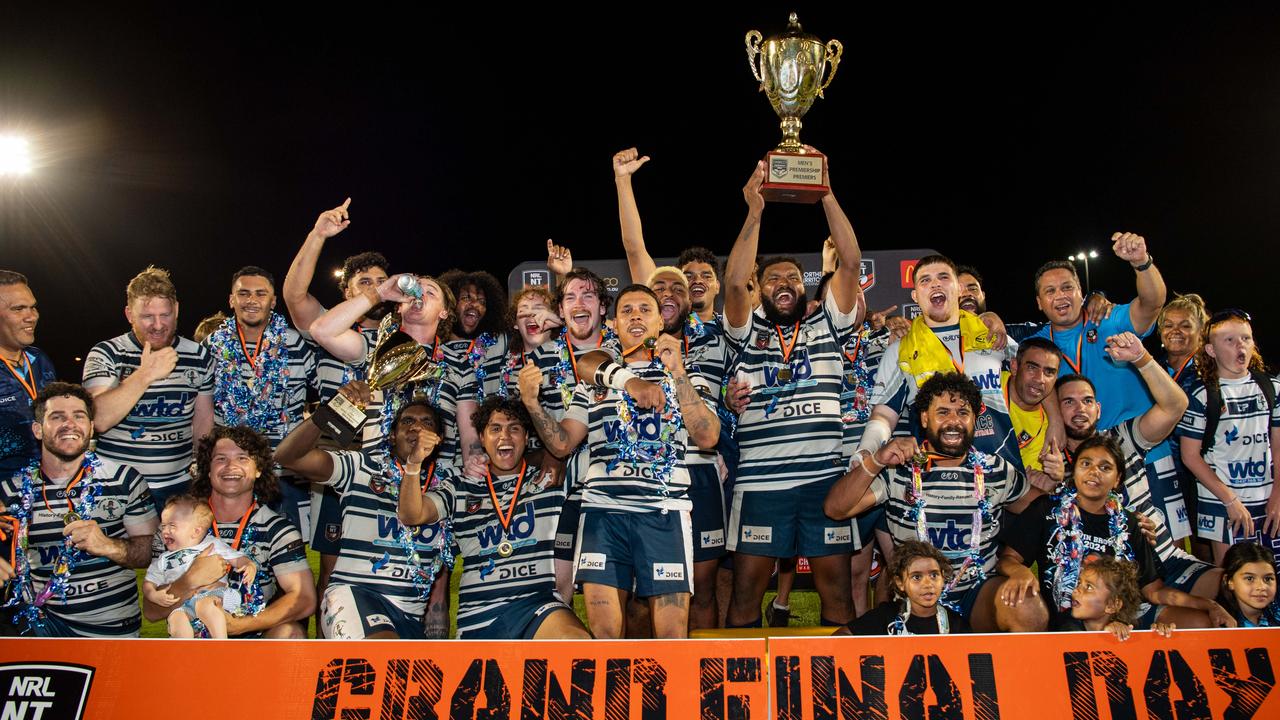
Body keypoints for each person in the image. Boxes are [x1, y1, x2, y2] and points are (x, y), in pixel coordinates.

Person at [520, 284, 721, 638]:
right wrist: (533, 405)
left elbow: (707, 437)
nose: (637, 316)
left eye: (646, 309)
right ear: (613, 324)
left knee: (672, 637)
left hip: (664, 514)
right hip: (602, 514)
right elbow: (563, 443)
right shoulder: (597, 380)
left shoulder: (688, 376)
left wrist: (677, 372)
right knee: (605, 636)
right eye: (627, 310)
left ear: (661, 323)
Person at [720, 151, 864, 630]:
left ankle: (838, 692)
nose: (783, 283)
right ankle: (741, 699)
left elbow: (850, 261)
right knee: (745, 597)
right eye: (772, 278)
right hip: (762, 486)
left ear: (803, 287)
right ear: (761, 287)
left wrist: (826, 194)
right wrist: (755, 211)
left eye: (791, 277)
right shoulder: (745, 329)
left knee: (837, 595)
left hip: (825, 482)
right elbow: (733, 281)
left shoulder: (828, 322)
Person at [826, 373, 1053, 632]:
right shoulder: (900, 468)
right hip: (913, 593)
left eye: (963, 413)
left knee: (1027, 607)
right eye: (943, 412)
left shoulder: (995, 470)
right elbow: (835, 509)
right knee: (847, 638)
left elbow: (1046, 510)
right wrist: (876, 460)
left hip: (976, 594)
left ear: (975, 420)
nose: (954, 422)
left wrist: (1014, 562)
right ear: (925, 418)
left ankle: (1011, 672)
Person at [281, 199, 392, 625]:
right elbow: (294, 295)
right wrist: (318, 235)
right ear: (348, 291)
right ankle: (328, 655)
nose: (375, 288)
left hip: (385, 461)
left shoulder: (403, 332)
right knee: (332, 566)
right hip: (337, 456)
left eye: (382, 281)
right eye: (365, 282)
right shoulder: (329, 323)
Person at [399, 397, 589, 639]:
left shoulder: (548, 477)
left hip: (536, 607)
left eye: (515, 428)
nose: (505, 437)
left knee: (574, 642)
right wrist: (414, 463)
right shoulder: (460, 486)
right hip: (478, 616)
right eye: (495, 428)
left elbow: (601, 450)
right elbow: (411, 514)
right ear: (481, 437)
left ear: (527, 437)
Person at [998, 435, 1229, 630]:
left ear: (1118, 479)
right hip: (1072, 616)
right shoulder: (1046, 510)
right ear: (1074, 472)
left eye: (1105, 467)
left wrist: (1208, 605)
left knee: (1200, 622)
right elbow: (1008, 559)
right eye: (1085, 464)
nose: (1094, 472)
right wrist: (1019, 572)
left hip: (1124, 618)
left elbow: (1154, 591)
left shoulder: (1128, 523)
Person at [276, 387, 455, 638]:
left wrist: (414, 466)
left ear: (438, 438)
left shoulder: (447, 486)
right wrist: (330, 411)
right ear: (392, 436)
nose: (417, 427)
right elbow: (289, 457)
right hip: (354, 595)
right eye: (407, 421)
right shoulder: (360, 467)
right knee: (383, 655)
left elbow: (411, 515)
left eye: (427, 423)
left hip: (410, 614)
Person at [0, 383, 156, 637]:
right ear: (38, 430)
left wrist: (107, 545)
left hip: (112, 630)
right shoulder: (11, 490)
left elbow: (150, 550)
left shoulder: (124, 479)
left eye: (79, 416)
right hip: (40, 630)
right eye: (57, 417)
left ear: (91, 427)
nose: (69, 424)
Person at [143, 426, 314, 638]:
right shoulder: (174, 529)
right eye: (221, 459)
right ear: (208, 469)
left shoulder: (277, 529)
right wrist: (188, 581)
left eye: (242, 458)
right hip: (192, 640)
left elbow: (304, 599)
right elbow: (151, 612)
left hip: (252, 639)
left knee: (291, 633)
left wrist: (238, 625)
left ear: (258, 469)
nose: (231, 466)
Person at [857, 254, 1023, 471]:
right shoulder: (900, 350)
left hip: (1003, 472)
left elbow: (1035, 378)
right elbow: (883, 416)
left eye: (943, 277)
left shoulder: (991, 334)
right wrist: (866, 452)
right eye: (925, 280)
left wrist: (1055, 423)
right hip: (937, 482)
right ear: (915, 296)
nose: (935, 283)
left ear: (959, 289)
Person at [519, 266, 620, 601]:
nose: (580, 302)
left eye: (589, 296)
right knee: (558, 589)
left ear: (603, 307)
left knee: (614, 594)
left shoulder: (625, 349)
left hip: (612, 488)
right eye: (571, 297)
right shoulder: (538, 358)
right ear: (560, 310)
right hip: (558, 489)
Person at [82, 266, 214, 512]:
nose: (157, 325)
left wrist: (202, 474)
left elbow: (203, 421)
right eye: (146, 317)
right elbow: (98, 420)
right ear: (129, 314)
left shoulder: (198, 356)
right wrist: (145, 375)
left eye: (165, 315)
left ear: (176, 310)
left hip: (177, 487)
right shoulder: (107, 353)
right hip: (116, 486)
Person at [204, 266, 320, 535]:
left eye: (260, 293)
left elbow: (323, 393)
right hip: (232, 472)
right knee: (233, 551)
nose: (251, 300)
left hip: (288, 473)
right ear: (231, 300)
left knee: (290, 554)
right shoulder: (212, 346)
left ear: (273, 300)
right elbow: (203, 408)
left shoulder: (296, 344)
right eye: (243, 294)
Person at [1030, 232, 1167, 431]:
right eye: (1050, 291)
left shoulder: (1107, 319)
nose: (1060, 296)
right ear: (1039, 303)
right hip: (1086, 453)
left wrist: (1141, 263)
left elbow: (1152, 303)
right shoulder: (1037, 347)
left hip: (1144, 447)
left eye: (1067, 287)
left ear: (1081, 292)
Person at [1178, 309, 1280, 565]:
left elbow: (1278, 447)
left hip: (1266, 498)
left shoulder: (1272, 388)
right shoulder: (1202, 396)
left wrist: (1278, 494)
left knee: (1271, 578)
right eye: (1230, 340)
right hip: (1222, 504)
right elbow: (1189, 456)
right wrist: (1230, 500)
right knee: (1233, 579)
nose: (1240, 346)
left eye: (1245, 338)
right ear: (1211, 350)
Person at [612, 147, 723, 324]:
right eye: (688, 276)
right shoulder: (665, 320)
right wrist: (623, 179)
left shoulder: (730, 327)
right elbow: (635, 249)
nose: (697, 281)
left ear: (717, 286)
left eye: (706, 275)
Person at [143, 494, 257, 638]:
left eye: (172, 526)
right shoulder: (163, 559)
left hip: (215, 595)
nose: (165, 531)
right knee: (175, 619)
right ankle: (186, 652)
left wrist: (248, 565)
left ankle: (221, 644)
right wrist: (153, 594)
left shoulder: (212, 544)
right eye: (163, 526)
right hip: (185, 604)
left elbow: (237, 558)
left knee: (205, 605)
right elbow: (149, 583)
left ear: (196, 531)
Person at [1157, 293, 1210, 545]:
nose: (1175, 331)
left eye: (1185, 325)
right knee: (1169, 546)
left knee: (1206, 546)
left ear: (1200, 331)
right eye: (1168, 325)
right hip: (1164, 472)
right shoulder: (1152, 369)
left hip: (1202, 474)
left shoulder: (1210, 374)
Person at [845, 540, 971, 635]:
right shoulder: (885, 616)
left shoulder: (957, 624)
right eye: (916, 577)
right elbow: (840, 638)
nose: (928, 584)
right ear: (900, 583)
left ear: (943, 578)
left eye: (934, 575)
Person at [0, 270, 56, 478]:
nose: (31, 316)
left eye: (32, 307)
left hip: (45, 493)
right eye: (18, 309)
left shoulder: (39, 359)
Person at [1055, 556, 1175, 640]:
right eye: (1079, 583)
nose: (1076, 590)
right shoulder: (1066, 625)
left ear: (1112, 605)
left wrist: (1159, 634)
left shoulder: (1130, 631)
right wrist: (1104, 637)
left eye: (1089, 587)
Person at [1218, 542, 1280, 627]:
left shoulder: (1277, 615)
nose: (1261, 587)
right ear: (1229, 581)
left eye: (1268, 579)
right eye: (1250, 578)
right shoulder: (1216, 622)